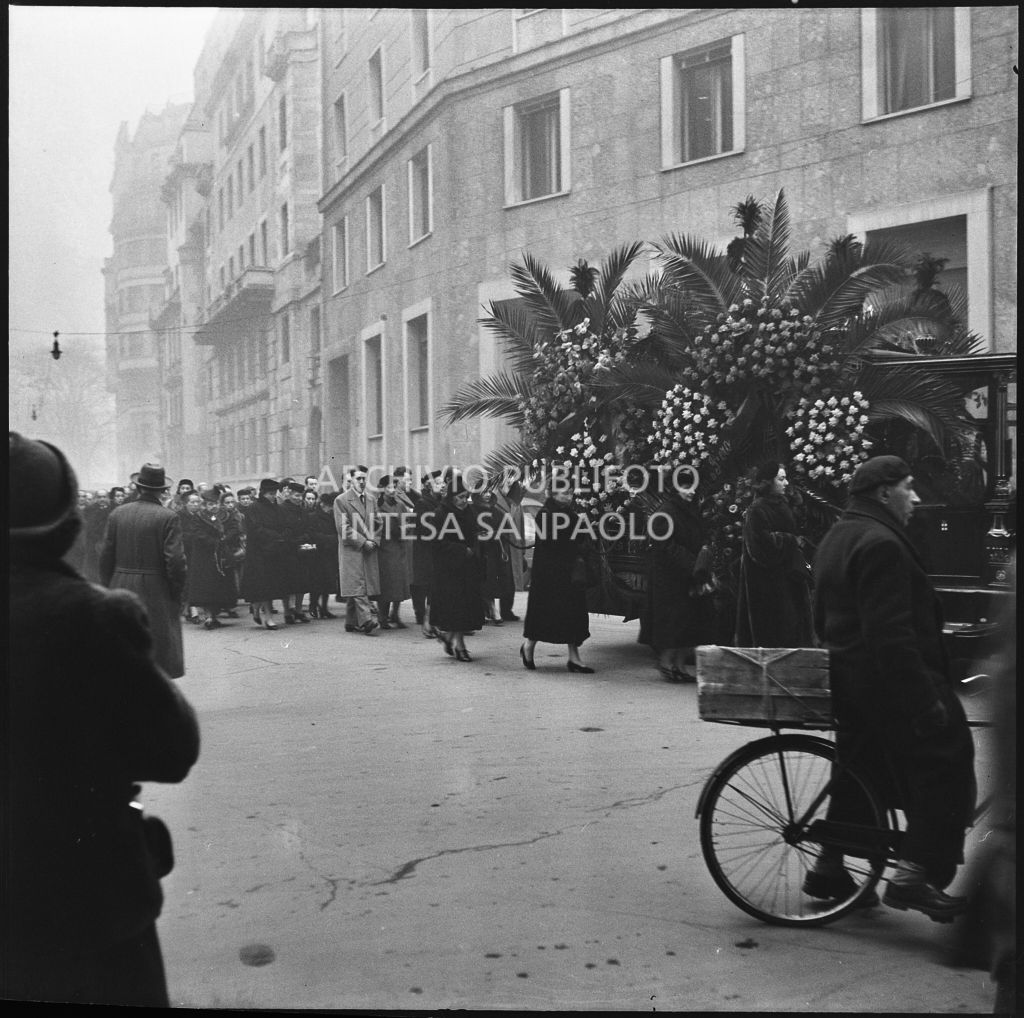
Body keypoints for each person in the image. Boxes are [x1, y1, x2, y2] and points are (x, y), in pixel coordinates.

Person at [7, 433, 200, 1006]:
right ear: (68, 524)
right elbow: (172, 749)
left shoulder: (115, 522)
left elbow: (110, 559)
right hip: (88, 894)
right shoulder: (92, 618)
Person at [808, 455, 976, 921]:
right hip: (887, 683)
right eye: (908, 487)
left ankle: (828, 866)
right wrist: (924, 702)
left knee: (863, 769)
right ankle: (912, 875)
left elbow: (820, 619)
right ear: (884, 493)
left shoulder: (837, 537)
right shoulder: (881, 543)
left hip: (851, 682)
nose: (916, 498)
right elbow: (892, 638)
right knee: (948, 755)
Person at [99, 463, 187, 679]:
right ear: (162, 490)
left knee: (125, 647)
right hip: (156, 590)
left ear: (138, 487)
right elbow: (175, 561)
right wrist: (177, 593)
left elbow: (105, 556)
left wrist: (108, 586)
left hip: (120, 584)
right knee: (158, 650)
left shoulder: (117, 514)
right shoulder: (168, 517)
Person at [734, 460, 813, 648]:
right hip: (767, 587)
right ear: (768, 481)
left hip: (787, 581)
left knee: (791, 633)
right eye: (781, 479)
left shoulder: (783, 505)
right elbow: (760, 549)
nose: (786, 483)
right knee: (774, 635)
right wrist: (791, 541)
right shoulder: (757, 509)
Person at [645, 467, 712, 682]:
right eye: (686, 487)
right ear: (676, 488)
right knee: (675, 625)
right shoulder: (666, 512)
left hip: (689, 576)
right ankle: (667, 663)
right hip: (672, 578)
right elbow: (665, 546)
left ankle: (681, 666)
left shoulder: (690, 510)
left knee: (688, 625)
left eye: (693, 487)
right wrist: (693, 564)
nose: (691, 492)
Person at [521, 478, 594, 672]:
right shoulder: (545, 515)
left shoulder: (569, 514)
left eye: (570, 492)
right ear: (553, 494)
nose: (569, 496)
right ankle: (529, 647)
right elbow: (554, 545)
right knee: (544, 615)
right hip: (549, 576)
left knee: (573, 615)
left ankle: (574, 658)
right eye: (564, 493)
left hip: (569, 575)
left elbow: (579, 538)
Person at [428, 470, 484, 661]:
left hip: (468, 569)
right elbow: (437, 543)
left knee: (463, 609)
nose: (463, 500)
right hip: (449, 570)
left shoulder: (469, 511)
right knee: (457, 609)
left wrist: (477, 544)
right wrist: (462, 551)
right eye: (460, 497)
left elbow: (474, 532)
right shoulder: (441, 514)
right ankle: (460, 647)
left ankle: (448, 637)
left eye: (465, 497)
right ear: (451, 497)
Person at [334, 465, 381, 635]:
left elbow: (379, 523)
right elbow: (343, 528)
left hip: (368, 549)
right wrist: (363, 541)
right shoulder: (341, 500)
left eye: (364, 478)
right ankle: (366, 620)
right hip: (352, 550)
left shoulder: (371, 499)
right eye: (358, 478)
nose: (361, 482)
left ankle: (350, 621)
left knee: (359, 584)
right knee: (358, 585)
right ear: (351, 480)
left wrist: (375, 540)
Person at [179, 491, 236, 630]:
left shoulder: (226, 516)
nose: (213, 506)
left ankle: (215, 615)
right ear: (205, 505)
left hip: (222, 556)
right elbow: (196, 533)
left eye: (215, 503)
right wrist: (213, 541)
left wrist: (225, 538)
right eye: (210, 504)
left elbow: (234, 529)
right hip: (204, 557)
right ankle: (209, 615)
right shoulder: (199, 517)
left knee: (220, 586)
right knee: (207, 587)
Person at [239, 478, 287, 629]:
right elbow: (256, 529)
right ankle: (268, 618)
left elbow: (284, 525)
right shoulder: (254, 508)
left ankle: (258, 610)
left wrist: (282, 536)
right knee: (263, 586)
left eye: (274, 493)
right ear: (263, 493)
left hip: (274, 552)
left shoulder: (277, 508)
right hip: (259, 553)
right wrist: (275, 536)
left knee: (269, 586)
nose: (273, 496)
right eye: (270, 494)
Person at [410, 470, 446, 637]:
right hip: (426, 552)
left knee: (436, 587)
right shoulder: (422, 503)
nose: (443, 485)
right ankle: (426, 621)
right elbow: (424, 528)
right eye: (439, 483)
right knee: (427, 587)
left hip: (437, 551)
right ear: (429, 486)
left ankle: (432, 622)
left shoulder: (441, 503)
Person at [375, 474, 412, 628]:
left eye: (394, 488)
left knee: (400, 584)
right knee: (386, 585)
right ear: (382, 489)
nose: (392, 491)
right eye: (388, 488)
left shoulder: (400, 504)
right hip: (385, 548)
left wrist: (405, 529)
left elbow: (408, 521)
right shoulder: (378, 505)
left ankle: (395, 614)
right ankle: (382, 617)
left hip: (399, 547)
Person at [473, 489, 515, 625]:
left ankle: (491, 608)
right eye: (484, 492)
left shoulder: (497, 511)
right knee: (481, 582)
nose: (487, 495)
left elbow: (507, 528)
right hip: (477, 552)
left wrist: (496, 533)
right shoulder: (471, 510)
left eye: (489, 492)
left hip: (493, 552)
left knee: (491, 581)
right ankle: (488, 609)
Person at [277, 479, 314, 624]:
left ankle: (298, 610)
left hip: (302, 551)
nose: (298, 499)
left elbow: (309, 528)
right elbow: (283, 530)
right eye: (296, 496)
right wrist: (296, 539)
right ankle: (287, 611)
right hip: (288, 551)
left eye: (300, 496)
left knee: (302, 582)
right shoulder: (282, 509)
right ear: (289, 494)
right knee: (287, 583)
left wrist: (305, 538)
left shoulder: (303, 510)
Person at [307, 491, 340, 619]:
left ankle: (324, 608)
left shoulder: (333, 517)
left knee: (328, 582)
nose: (330, 509)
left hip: (330, 553)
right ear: (323, 504)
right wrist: (331, 539)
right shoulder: (313, 517)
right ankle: (313, 606)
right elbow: (312, 534)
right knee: (316, 582)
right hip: (317, 554)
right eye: (329, 506)